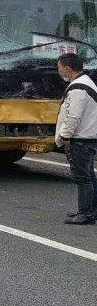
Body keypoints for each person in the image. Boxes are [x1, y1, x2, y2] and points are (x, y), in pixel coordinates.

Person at [56, 52, 97, 225]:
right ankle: (91, 211)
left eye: (59, 68)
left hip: (81, 139)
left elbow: (73, 117)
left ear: (67, 68)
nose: (58, 72)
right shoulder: (87, 83)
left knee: (82, 178)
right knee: (88, 176)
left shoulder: (78, 88)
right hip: (88, 137)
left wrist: (64, 136)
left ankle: (85, 213)